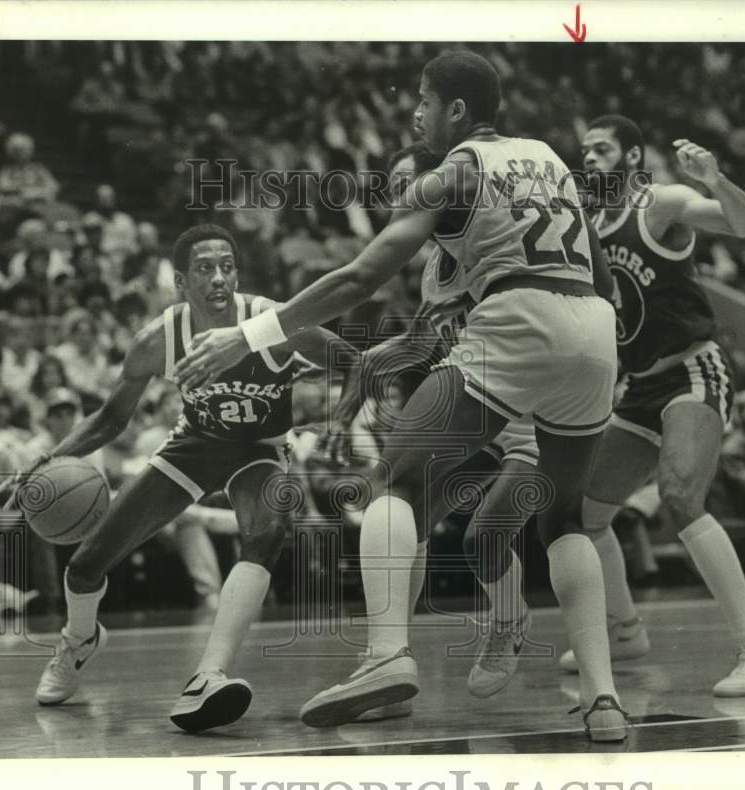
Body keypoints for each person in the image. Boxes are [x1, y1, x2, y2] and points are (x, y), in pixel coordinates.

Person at [176, 52, 628, 741]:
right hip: (591, 336)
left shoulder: (451, 175)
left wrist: (249, 334)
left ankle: (388, 654)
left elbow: (358, 277)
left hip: (516, 340)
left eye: (422, 101)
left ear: (456, 111)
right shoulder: (547, 158)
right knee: (559, 519)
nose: (414, 114)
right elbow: (595, 275)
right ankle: (601, 698)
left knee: (394, 482)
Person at [1, 224, 356, 733]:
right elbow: (110, 419)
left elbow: (356, 364)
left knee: (268, 533)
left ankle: (208, 675)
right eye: (205, 269)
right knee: (84, 566)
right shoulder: (157, 339)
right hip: (196, 446)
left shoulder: (272, 323)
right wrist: (47, 459)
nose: (219, 278)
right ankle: (80, 639)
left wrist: (340, 422)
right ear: (181, 282)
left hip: (258, 449)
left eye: (227, 266)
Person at [561, 114, 745, 697]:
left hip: (692, 369)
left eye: (603, 149)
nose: (590, 159)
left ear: (633, 157)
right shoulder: (587, 227)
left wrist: (714, 178)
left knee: (681, 495)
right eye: (584, 151)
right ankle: (625, 630)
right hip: (638, 388)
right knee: (586, 513)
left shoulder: (660, 203)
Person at [323, 143, 546, 710]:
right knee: (403, 510)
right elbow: (416, 343)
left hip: (531, 421)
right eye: (394, 186)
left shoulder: (490, 238)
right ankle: (390, 659)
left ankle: (509, 620)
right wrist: (349, 399)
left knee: (485, 537)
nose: (400, 196)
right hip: (475, 421)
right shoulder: (432, 269)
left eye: (409, 182)